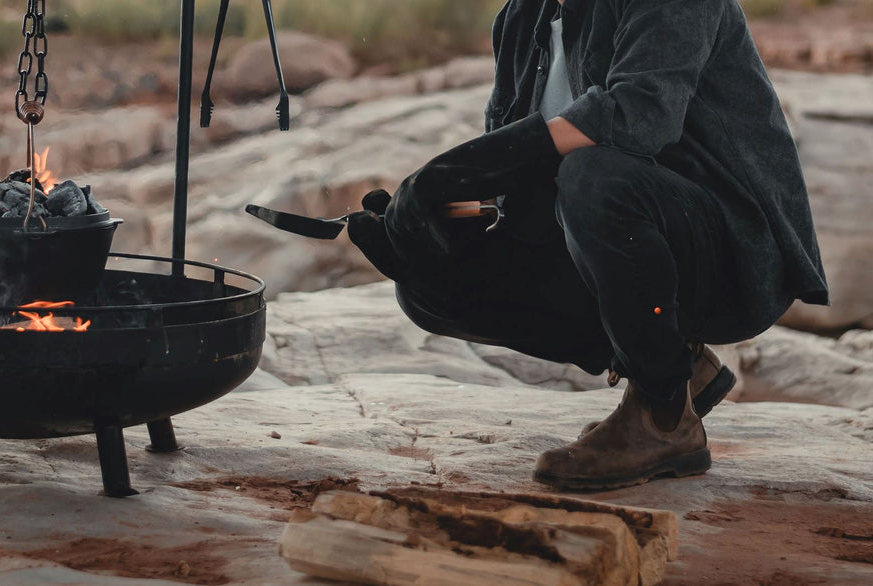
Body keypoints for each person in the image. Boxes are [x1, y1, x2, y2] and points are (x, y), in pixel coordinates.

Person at [341, 0, 829, 491]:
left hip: (730, 252)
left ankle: (663, 419)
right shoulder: (521, 17)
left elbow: (638, 115)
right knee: (428, 284)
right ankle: (677, 366)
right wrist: (442, 216)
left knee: (594, 176)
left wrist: (468, 166)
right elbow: (523, 178)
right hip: (617, 240)